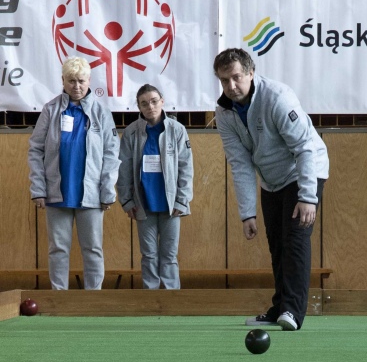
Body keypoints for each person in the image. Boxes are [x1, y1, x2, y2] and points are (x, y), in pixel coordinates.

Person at [213, 48, 329, 331]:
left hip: (303, 172)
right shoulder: (224, 113)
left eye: (236, 77)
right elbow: (240, 164)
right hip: (271, 180)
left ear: (251, 73)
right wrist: (247, 213)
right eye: (224, 80)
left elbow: (304, 147)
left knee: (295, 240)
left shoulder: (277, 98)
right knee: (277, 244)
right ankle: (280, 307)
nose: (231, 86)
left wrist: (307, 196)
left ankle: (293, 312)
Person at [28, 56, 119, 290]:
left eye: (81, 80)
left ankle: (94, 298)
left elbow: (111, 154)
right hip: (56, 193)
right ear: (63, 81)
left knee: (93, 249)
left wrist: (107, 191)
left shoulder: (101, 112)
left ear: (89, 81)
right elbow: (36, 149)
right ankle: (59, 297)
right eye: (71, 81)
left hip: (91, 195)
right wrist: (38, 189)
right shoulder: (50, 110)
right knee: (58, 249)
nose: (76, 86)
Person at [117, 84, 193, 289]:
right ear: (139, 107)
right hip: (143, 203)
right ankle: (150, 298)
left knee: (169, 255)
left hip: (171, 203)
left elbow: (186, 167)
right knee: (149, 255)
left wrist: (182, 200)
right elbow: (123, 169)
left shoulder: (177, 130)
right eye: (144, 104)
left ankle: (171, 297)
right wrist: (126, 200)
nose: (150, 107)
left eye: (153, 101)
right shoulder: (131, 132)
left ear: (162, 102)